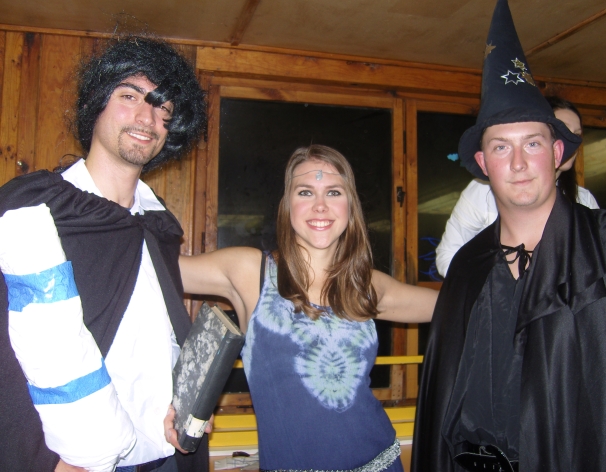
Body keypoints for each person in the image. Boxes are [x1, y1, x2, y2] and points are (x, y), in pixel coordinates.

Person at [412, 0, 606, 471]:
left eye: (532, 143)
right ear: (483, 164)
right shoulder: (468, 265)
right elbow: (443, 396)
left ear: (557, 154)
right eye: (501, 147)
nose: (517, 163)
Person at [0, 36, 208, 472]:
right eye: (129, 96)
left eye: (163, 108)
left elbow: (155, 343)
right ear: (96, 103)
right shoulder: (35, 206)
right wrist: (41, 461)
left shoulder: (159, 226)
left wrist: (184, 405)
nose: (147, 117)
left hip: (164, 456)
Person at [179, 144, 438, 471]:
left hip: (380, 463)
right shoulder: (250, 272)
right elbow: (150, 267)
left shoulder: (366, 285)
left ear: (350, 206)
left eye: (333, 192)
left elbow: (459, 305)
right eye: (305, 192)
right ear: (287, 205)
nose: (320, 206)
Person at [435, 96, 599, 277]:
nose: (572, 143)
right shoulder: (482, 191)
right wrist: (494, 287)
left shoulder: (584, 200)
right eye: (564, 131)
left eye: (576, 135)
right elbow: (448, 256)